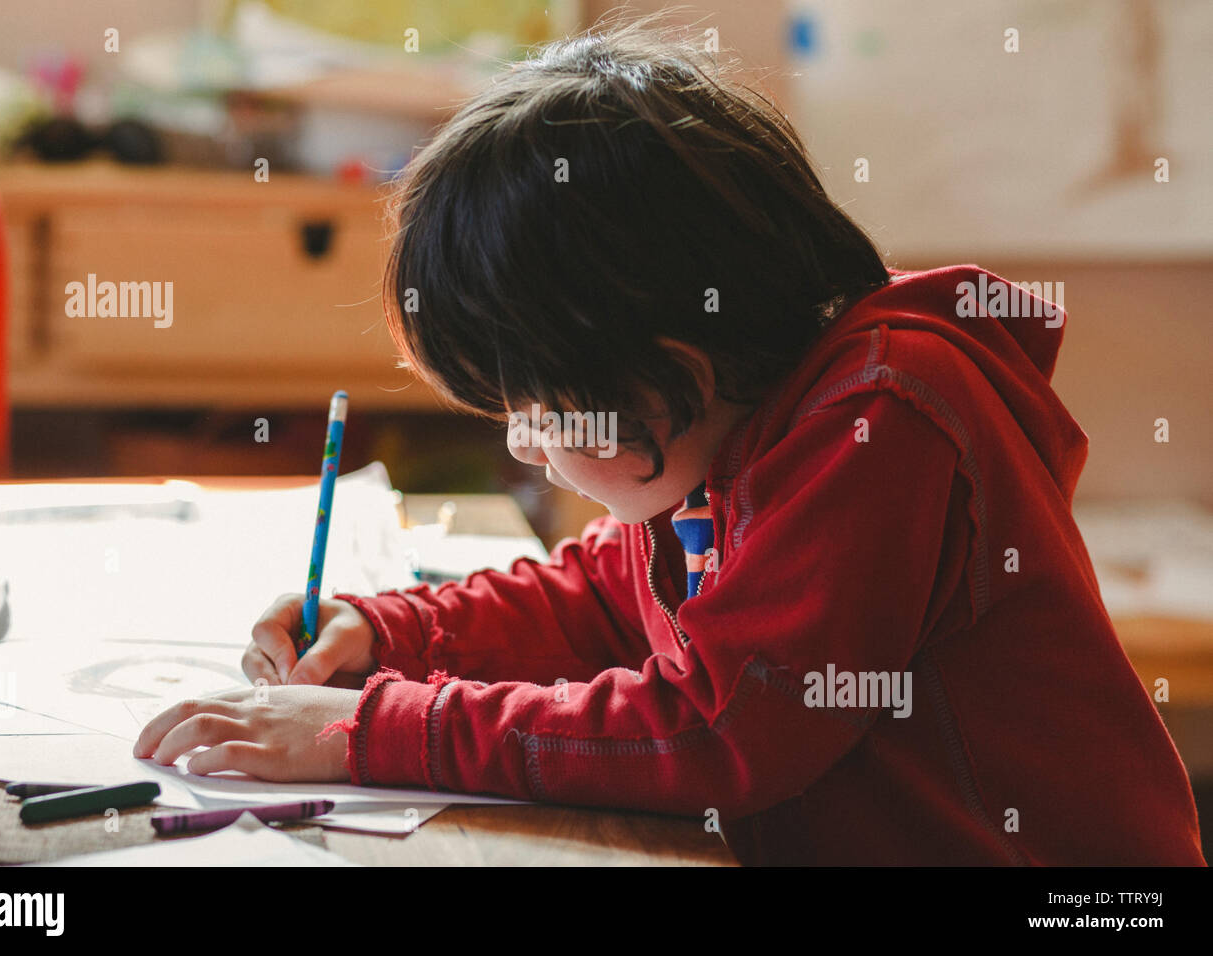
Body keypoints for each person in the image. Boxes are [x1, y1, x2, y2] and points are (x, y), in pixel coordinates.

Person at [134, 19, 1205, 865]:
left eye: (538, 408)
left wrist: (361, 730)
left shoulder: (883, 416)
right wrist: (384, 632)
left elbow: (718, 725)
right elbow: (605, 596)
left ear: (668, 370)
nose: (525, 443)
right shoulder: (732, 421)